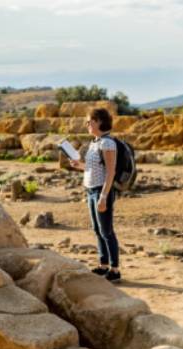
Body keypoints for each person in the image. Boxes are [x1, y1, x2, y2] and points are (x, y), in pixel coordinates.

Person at [69, 108, 121, 282]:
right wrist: (79, 165)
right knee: (97, 230)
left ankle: (115, 270)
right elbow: (92, 168)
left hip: (101, 190)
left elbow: (110, 171)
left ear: (99, 121)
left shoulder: (107, 143)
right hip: (90, 190)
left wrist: (104, 197)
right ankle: (103, 265)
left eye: (89, 121)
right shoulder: (94, 142)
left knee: (107, 231)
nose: (87, 125)